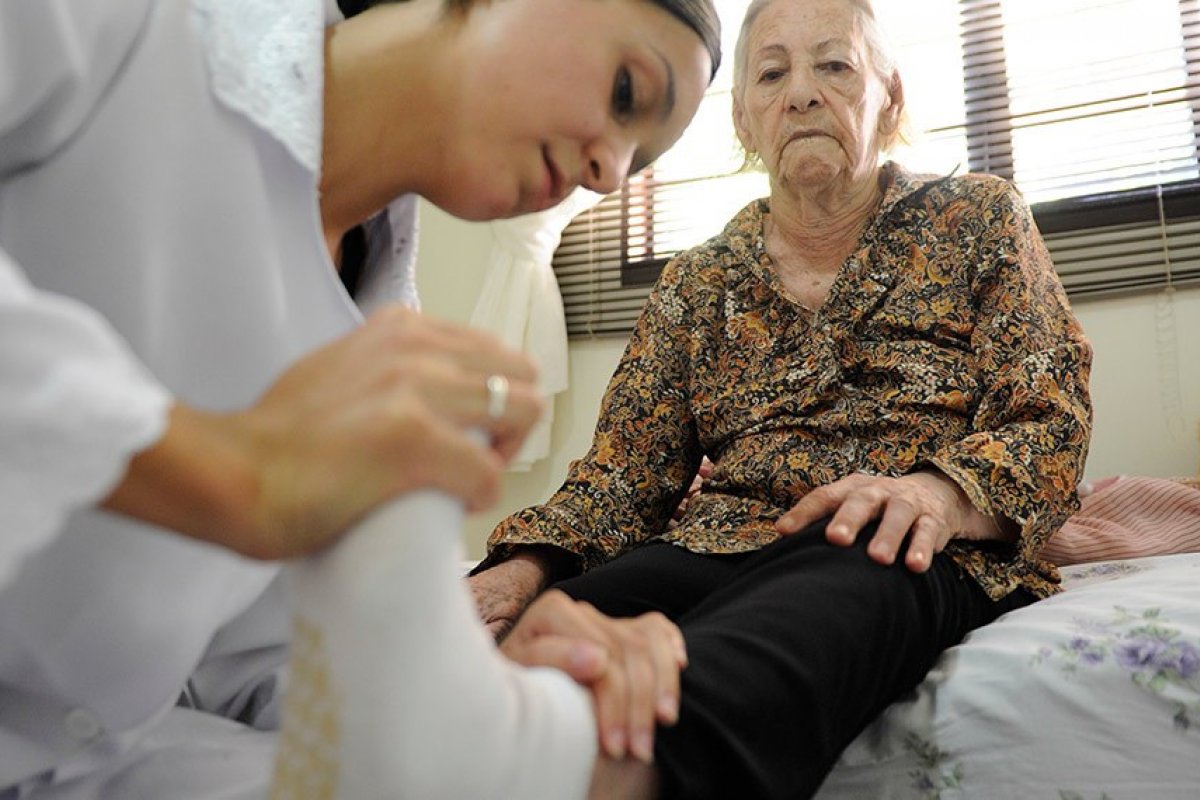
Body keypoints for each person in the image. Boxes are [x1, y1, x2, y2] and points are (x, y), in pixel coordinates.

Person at [0, 0, 719, 797]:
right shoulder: (135, 29)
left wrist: (467, 674)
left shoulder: (380, 328)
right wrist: (223, 472)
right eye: (626, 93)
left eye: (637, 161)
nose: (609, 174)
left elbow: (259, 658)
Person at [468, 0, 1094, 797]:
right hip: (714, 545)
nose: (800, 93)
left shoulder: (979, 218)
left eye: (834, 66)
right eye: (772, 73)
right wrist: (519, 571)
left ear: (889, 98)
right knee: (550, 627)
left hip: (890, 539)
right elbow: (621, 482)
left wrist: (936, 495)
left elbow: (1049, 414)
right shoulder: (698, 280)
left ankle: (629, 769)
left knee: (817, 609)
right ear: (743, 121)